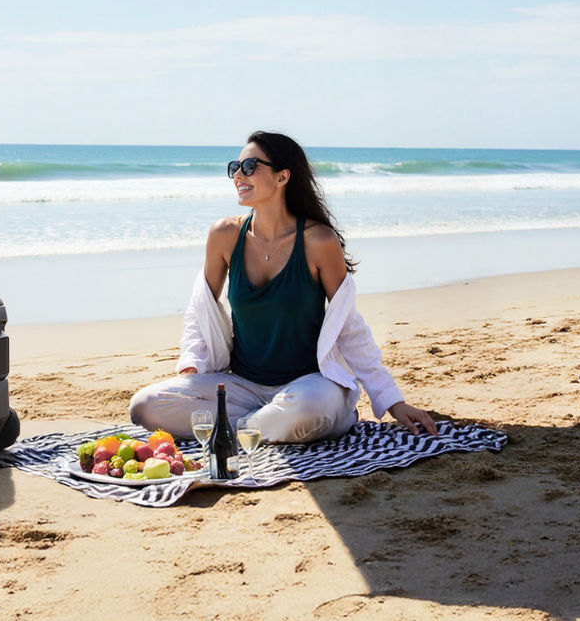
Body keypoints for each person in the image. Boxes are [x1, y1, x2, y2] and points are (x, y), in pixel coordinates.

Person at [130, 131, 436, 444]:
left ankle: (242, 428)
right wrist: (192, 364)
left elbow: (349, 326)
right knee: (146, 406)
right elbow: (201, 310)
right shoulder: (225, 235)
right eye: (235, 166)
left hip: (310, 386)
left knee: (308, 409)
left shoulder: (319, 242)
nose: (238, 174)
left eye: (249, 166)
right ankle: (260, 428)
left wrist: (391, 400)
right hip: (243, 387)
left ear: (282, 176)